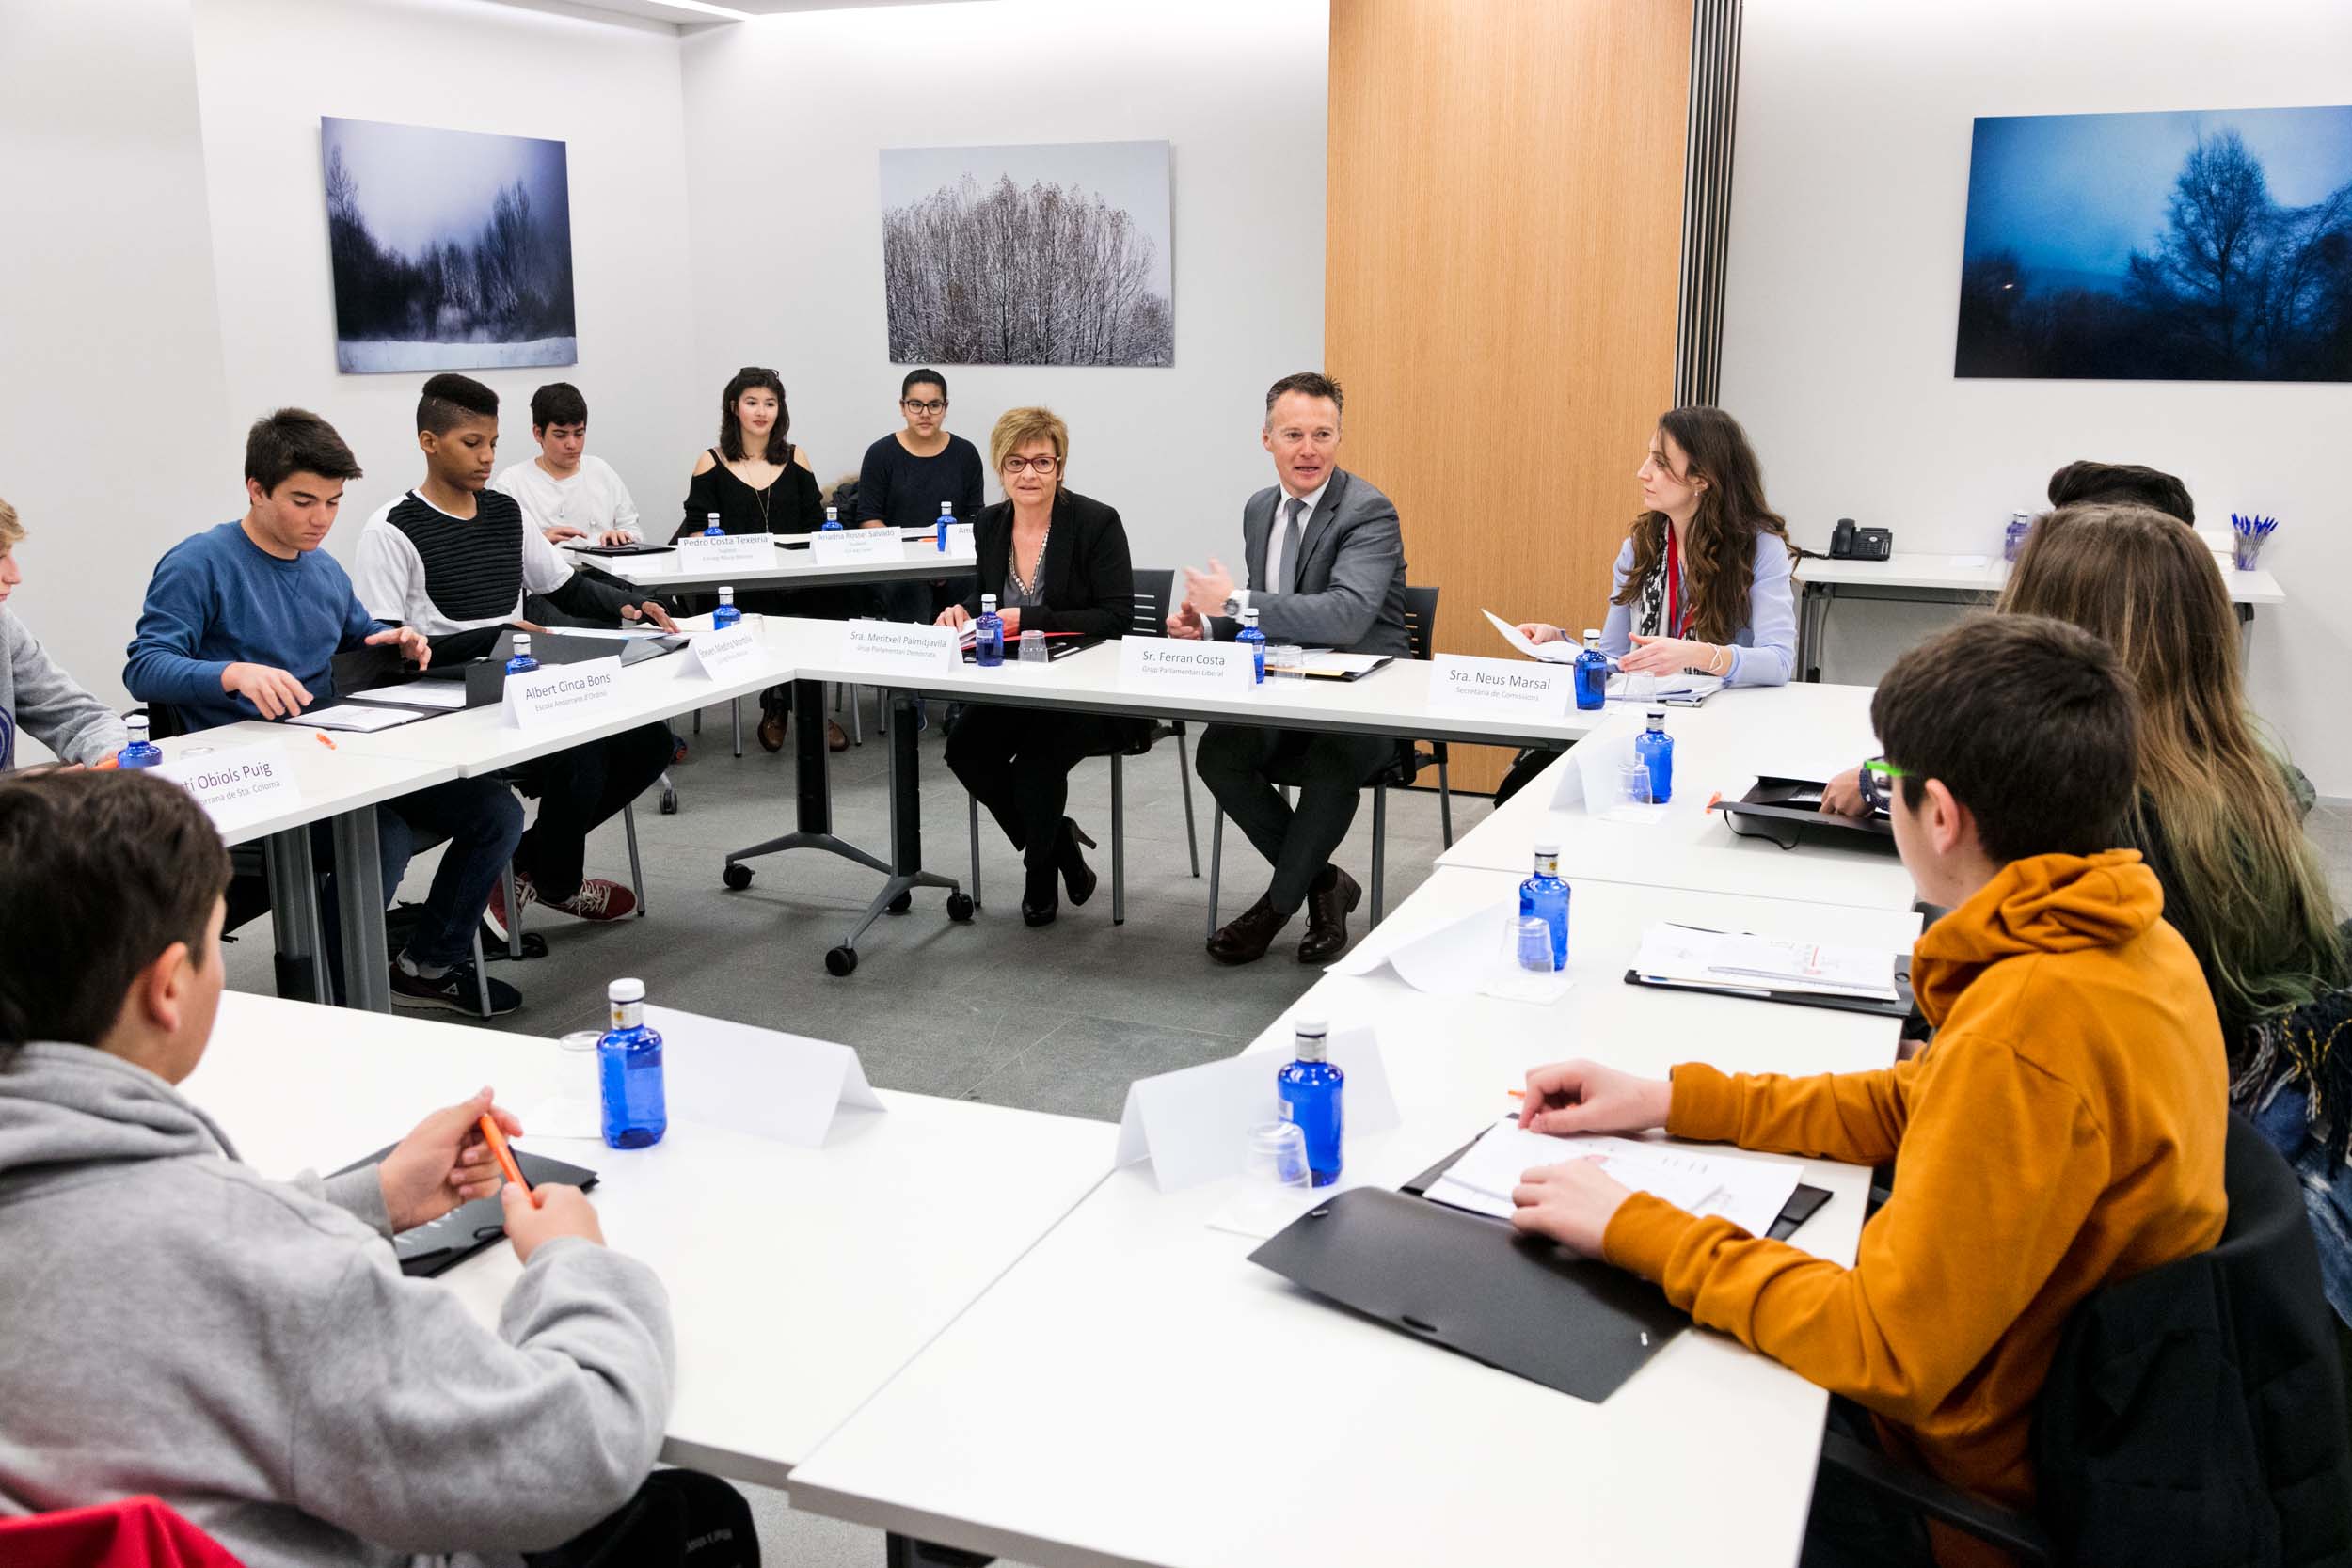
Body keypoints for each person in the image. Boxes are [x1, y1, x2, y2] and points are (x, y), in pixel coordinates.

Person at [1509, 613, 2228, 1568]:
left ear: (1942, 818)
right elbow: (1913, 1102)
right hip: (2035, 1404)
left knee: (1588, 1450)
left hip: (1958, 1490)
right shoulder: (2126, 937)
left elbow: (1885, 1347)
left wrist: (1635, 1225)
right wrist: (1669, 1101)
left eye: (1891, 782)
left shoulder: (2028, 1027)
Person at [0, 768, 757, 1567]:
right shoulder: (274, 1276)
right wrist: (576, 1261)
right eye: (214, 943)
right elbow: (578, 1451)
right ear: (168, 989)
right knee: (695, 1514)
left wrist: (371, 1198)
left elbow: (151, 1250)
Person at [125, 408, 525, 1015]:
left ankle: (427, 965)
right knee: (381, 837)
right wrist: (231, 673)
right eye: (303, 501)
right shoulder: (199, 563)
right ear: (256, 489)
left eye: (334, 503)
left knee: (495, 810)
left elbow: (359, 635)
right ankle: (342, 1000)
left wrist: (395, 641)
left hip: (336, 755)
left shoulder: (322, 568)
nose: (321, 519)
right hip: (257, 773)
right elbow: (145, 666)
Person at [356, 374, 677, 936]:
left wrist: (631, 604)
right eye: (471, 443)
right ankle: (553, 880)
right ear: (429, 442)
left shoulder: (505, 512)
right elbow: (384, 656)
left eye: (493, 443)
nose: (487, 457)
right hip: (450, 702)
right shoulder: (390, 529)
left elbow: (563, 585)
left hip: (520, 686)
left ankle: (532, 869)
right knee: (582, 751)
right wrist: (492, 638)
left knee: (650, 741)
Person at [1171, 372, 1409, 966]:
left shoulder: (1368, 511)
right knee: (1219, 753)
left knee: (1332, 762)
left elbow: (1345, 618)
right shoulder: (1260, 509)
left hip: (1369, 696)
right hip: (1288, 687)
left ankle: (1274, 909)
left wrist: (1234, 602)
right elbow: (1269, 613)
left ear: (1339, 438)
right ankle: (1325, 883)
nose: (1309, 449)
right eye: (1294, 434)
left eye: (1322, 434)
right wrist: (1209, 628)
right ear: (1267, 439)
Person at [1496, 406, 1799, 805]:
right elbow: (1615, 660)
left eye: (1659, 462)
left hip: (1719, 730)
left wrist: (1698, 654)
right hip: (1638, 724)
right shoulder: (1641, 547)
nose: (1643, 473)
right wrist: (1561, 646)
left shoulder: (1759, 549)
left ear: (1702, 478)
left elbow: (1779, 662)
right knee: (1519, 792)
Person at [936, 407, 1138, 926]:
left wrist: (1030, 619)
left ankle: (1039, 870)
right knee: (965, 750)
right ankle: (1058, 843)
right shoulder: (989, 523)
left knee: (1035, 765)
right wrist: (961, 610)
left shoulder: (1096, 522)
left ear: (1060, 467)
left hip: (1087, 690)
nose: (1029, 474)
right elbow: (986, 598)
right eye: (1016, 462)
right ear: (1000, 468)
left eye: (1042, 462)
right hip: (1016, 684)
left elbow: (1115, 618)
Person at [677, 366, 841, 754]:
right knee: (767, 610)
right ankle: (807, 710)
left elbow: (814, 525)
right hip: (737, 586)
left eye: (770, 403)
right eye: (752, 403)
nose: (761, 412)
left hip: (795, 577)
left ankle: (780, 702)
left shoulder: (797, 457)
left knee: (834, 601)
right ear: (734, 407)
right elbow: (696, 533)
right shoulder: (710, 462)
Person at [0, 496, 126, 769]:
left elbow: (83, 719)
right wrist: (23, 789)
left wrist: (110, 753)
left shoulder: (3, 625)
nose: (14, 575)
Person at [859, 367, 985, 624]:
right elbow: (869, 518)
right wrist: (916, 562)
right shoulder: (880, 454)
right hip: (898, 565)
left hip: (953, 562)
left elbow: (976, 517)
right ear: (903, 407)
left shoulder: (966, 454)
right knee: (911, 593)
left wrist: (943, 563)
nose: (925, 414)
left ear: (945, 408)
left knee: (973, 590)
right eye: (916, 405)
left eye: (934, 405)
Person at [491, 381, 644, 546]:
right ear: (538, 433)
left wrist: (622, 536)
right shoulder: (512, 483)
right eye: (560, 435)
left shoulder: (601, 470)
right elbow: (496, 547)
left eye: (579, 434)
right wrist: (538, 542)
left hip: (602, 562)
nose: (572, 444)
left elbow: (633, 530)